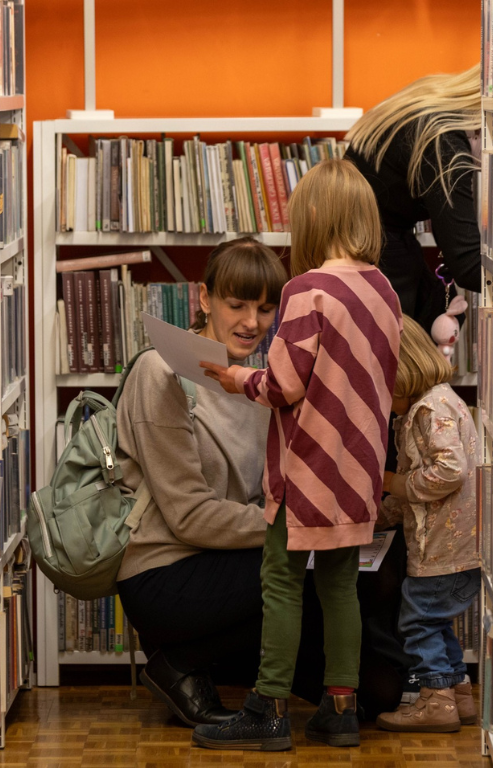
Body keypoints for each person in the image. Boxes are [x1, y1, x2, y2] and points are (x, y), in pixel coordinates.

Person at [115, 237, 411, 731]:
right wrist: (299, 525)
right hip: (168, 572)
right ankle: (180, 659)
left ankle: (215, 663)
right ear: (205, 298)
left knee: (381, 689)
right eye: (236, 305)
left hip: (245, 563)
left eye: (266, 308)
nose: (252, 322)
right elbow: (189, 517)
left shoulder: (262, 384)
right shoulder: (160, 372)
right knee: (311, 576)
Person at [195, 159, 402, 751]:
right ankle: (341, 708)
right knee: (340, 587)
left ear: (312, 213)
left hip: (306, 469)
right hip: (358, 471)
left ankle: (269, 707)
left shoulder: (307, 291)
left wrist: (238, 378)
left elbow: (282, 386)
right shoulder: (384, 291)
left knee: (281, 581)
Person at [374, 317, 481, 734]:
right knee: (436, 623)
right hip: (457, 549)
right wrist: (381, 515)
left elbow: (450, 471)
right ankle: (458, 694)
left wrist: (393, 483)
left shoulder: (429, 409)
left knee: (417, 623)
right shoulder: (436, 403)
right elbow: (414, 490)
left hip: (442, 549)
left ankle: (435, 701)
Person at [345, 65, 482, 334]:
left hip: (360, 236)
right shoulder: (443, 138)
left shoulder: (437, 96)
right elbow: (467, 265)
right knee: (418, 338)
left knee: (442, 311)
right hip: (371, 248)